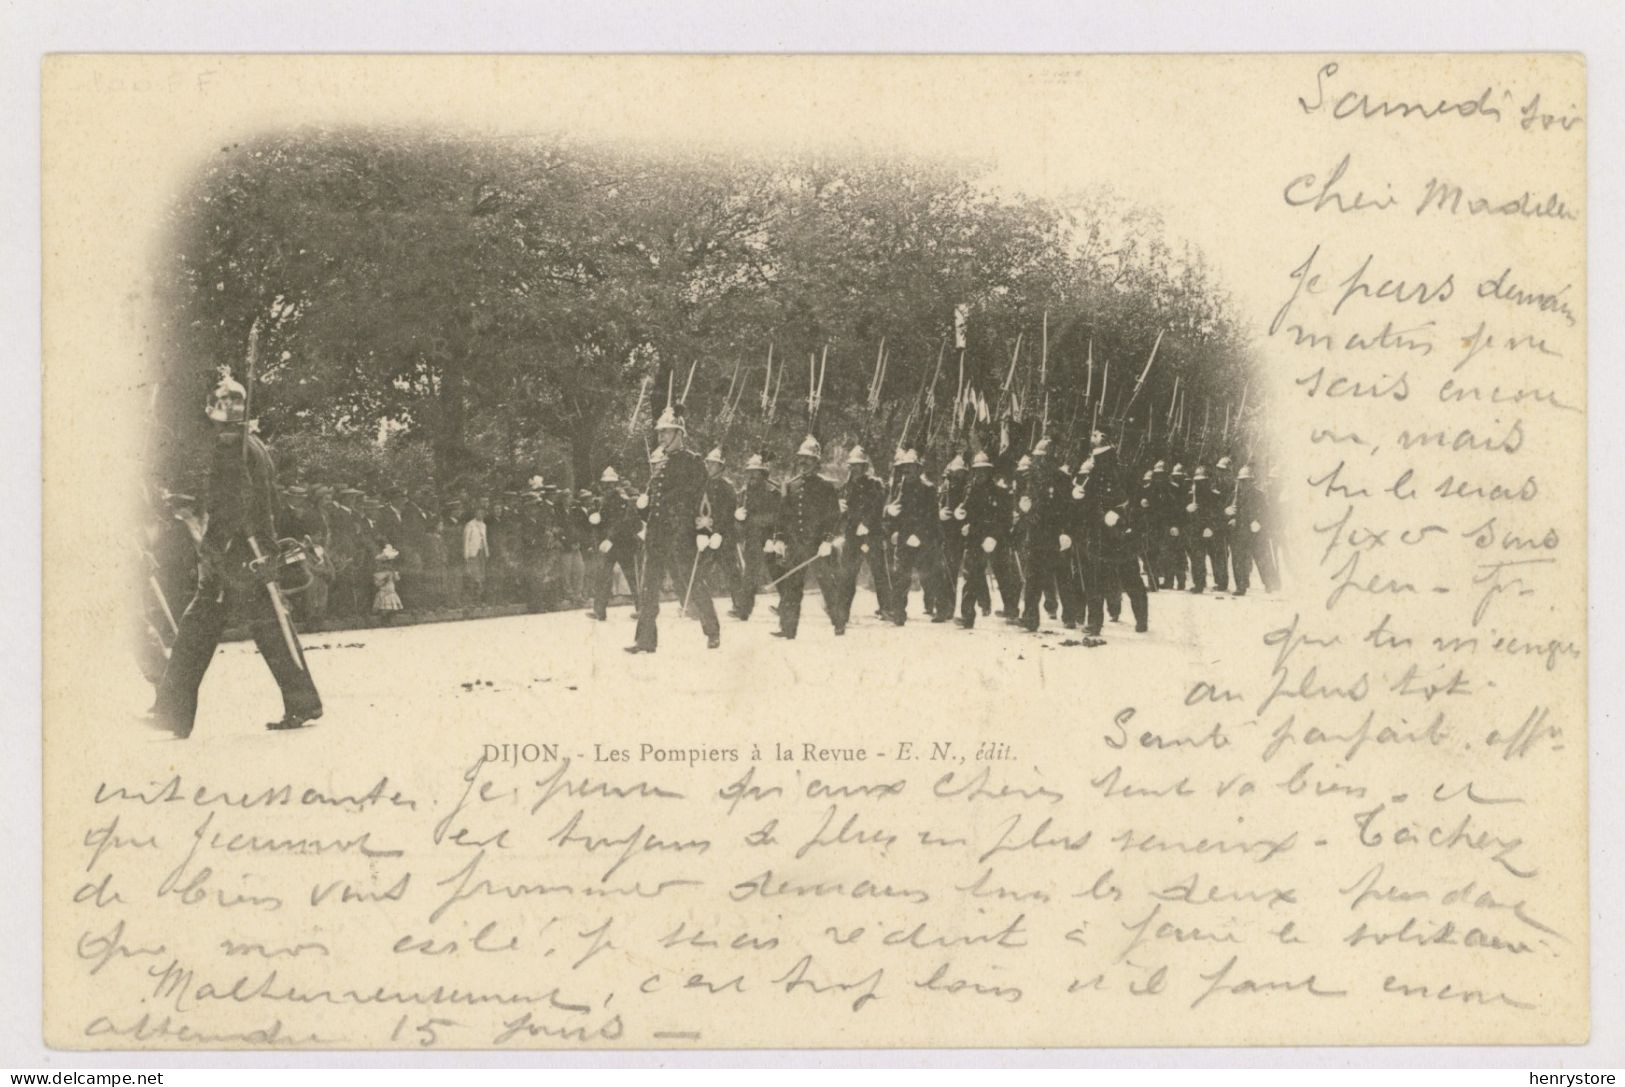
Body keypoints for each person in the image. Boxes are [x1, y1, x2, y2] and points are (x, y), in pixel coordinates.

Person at [149, 366, 322, 737]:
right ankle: (303, 702)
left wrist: (214, 548)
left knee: (197, 629)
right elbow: (263, 500)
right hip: (256, 550)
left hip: (234, 554)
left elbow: (234, 503)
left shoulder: (229, 444)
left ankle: (172, 714)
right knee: (272, 628)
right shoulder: (254, 444)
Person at [628, 405, 720, 653]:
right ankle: (645, 640)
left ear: (679, 434)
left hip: (682, 536)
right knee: (649, 588)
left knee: (693, 584)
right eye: (660, 433)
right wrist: (642, 508)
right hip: (657, 536)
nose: (661, 438)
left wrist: (704, 531)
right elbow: (653, 500)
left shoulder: (693, 462)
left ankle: (712, 631)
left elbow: (704, 501)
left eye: (666, 433)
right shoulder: (660, 464)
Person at [770, 435, 844, 639]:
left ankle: (839, 622)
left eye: (808, 459)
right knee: (791, 588)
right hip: (796, 545)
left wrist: (828, 540)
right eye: (801, 459)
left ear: (816, 462)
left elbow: (834, 517)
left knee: (827, 585)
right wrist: (779, 539)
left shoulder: (826, 487)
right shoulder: (790, 486)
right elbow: (782, 516)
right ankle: (787, 628)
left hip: (818, 545)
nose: (803, 463)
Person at [883, 447, 943, 625]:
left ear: (918, 469)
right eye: (904, 467)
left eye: (910, 467)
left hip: (924, 540)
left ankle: (940, 609)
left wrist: (920, 536)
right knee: (900, 576)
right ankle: (899, 613)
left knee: (930, 576)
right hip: (904, 539)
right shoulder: (901, 486)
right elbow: (894, 508)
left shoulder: (929, 488)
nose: (906, 471)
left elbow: (932, 517)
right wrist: (889, 513)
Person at [833, 444, 891, 627]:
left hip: (871, 535)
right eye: (851, 465)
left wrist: (866, 523)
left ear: (864, 467)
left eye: (857, 465)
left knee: (879, 573)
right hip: (852, 537)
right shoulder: (844, 487)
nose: (854, 468)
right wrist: (839, 508)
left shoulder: (874, 484)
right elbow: (841, 512)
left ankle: (888, 609)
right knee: (847, 576)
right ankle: (842, 614)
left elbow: (877, 504)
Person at [955, 451, 1004, 629]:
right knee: (970, 573)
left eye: (984, 470)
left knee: (1004, 572)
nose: (980, 474)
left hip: (992, 538)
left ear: (989, 472)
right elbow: (965, 509)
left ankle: (1010, 608)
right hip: (974, 537)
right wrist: (961, 515)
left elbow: (1002, 518)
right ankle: (967, 615)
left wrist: (993, 537)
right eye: (977, 470)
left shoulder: (998, 492)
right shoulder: (970, 489)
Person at [730, 453, 780, 620]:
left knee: (777, 571)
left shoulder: (772, 491)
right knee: (750, 573)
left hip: (769, 538)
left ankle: (787, 605)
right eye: (749, 472)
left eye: (756, 472)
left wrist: (773, 538)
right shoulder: (744, 493)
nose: (752, 476)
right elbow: (738, 517)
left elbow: (777, 516)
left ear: (763, 474)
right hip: (752, 538)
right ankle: (744, 610)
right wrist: (737, 517)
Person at [587, 466, 640, 620]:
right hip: (609, 544)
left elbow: (622, 522)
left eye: (611, 484)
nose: (608, 487)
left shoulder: (622, 500)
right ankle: (599, 610)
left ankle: (642, 608)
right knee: (603, 576)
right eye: (605, 484)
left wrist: (610, 538)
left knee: (632, 576)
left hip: (623, 543)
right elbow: (601, 522)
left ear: (616, 484)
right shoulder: (602, 501)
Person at [463, 502, 490, 602]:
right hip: (473, 553)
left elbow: (485, 539)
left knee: (482, 575)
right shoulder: (470, 525)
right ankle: (472, 599)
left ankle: (479, 598)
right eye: (478, 512)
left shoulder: (483, 525)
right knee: (474, 575)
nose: (480, 514)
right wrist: (466, 555)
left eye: (482, 513)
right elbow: (466, 541)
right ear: (475, 513)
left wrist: (487, 552)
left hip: (481, 552)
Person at [373, 543, 404, 620]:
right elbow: (377, 583)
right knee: (384, 607)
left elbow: (397, 579)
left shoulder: (391, 572)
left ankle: (389, 618)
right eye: (385, 563)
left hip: (391, 591)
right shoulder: (380, 573)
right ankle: (383, 618)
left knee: (392, 608)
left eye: (389, 563)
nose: (388, 565)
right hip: (384, 592)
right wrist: (384, 581)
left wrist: (394, 575)